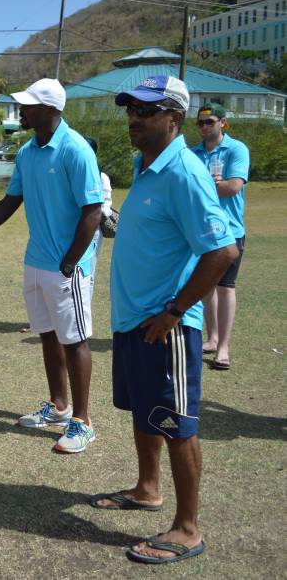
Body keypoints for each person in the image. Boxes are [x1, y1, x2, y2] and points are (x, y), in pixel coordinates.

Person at [88, 76, 237, 564]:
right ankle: (148, 489)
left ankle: (188, 528)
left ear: (173, 119)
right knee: (146, 413)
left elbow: (221, 251)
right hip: (134, 322)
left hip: (165, 325)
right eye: (130, 108)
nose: (133, 116)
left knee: (178, 425)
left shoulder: (184, 173)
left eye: (146, 111)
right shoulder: (146, 164)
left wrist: (174, 311)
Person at [0, 80, 103, 453]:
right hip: (36, 261)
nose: (21, 110)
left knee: (75, 339)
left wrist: (71, 260)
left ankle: (82, 421)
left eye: (28, 106)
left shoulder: (75, 149)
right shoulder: (27, 152)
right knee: (48, 334)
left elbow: (93, 210)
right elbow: (10, 201)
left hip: (68, 267)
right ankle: (58, 407)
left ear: (51, 110)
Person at [190, 103, 250, 371]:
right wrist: (214, 185)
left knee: (225, 288)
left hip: (229, 231)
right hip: (201, 229)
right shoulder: (194, 153)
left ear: (223, 123)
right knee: (206, 287)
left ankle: (223, 347)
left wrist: (208, 186)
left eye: (209, 122)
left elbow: (233, 186)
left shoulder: (236, 149)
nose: (204, 127)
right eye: (200, 123)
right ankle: (212, 338)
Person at [84, 136, 114, 298]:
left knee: (89, 271)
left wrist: (92, 212)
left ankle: (83, 309)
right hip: (71, 229)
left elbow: (106, 207)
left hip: (93, 230)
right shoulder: (73, 172)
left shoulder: (101, 177)